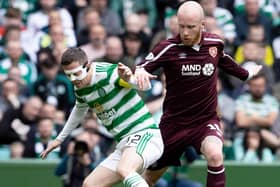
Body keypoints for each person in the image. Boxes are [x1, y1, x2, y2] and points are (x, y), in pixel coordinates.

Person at [133, 1, 262, 187]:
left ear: (202, 25)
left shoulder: (214, 44)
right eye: (181, 26)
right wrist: (139, 72)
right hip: (173, 125)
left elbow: (226, 61)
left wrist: (247, 74)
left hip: (204, 121)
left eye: (191, 27)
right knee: (149, 179)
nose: (185, 32)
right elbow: (142, 66)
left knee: (216, 155)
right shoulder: (168, 47)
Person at [40, 47, 164, 187]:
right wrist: (59, 139)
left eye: (76, 74)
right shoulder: (80, 87)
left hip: (145, 134)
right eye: (69, 75)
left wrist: (129, 78)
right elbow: (79, 109)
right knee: (90, 184)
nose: (73, 80)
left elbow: (144, 86)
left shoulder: (108, 73)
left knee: (125, 169)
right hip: (124, 143)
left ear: (86, 66)